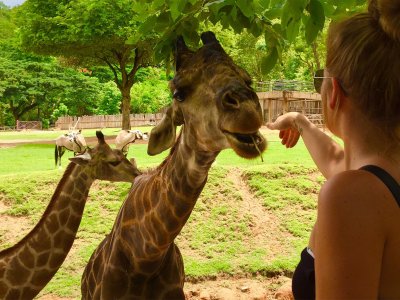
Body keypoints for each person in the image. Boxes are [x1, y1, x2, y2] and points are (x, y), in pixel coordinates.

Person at [267, 0, 400, 298]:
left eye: (320, 79)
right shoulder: (380, 179)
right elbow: (336, 159)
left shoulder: (350, 197)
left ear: (334, 93)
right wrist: (299, 122)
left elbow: (344, 172)